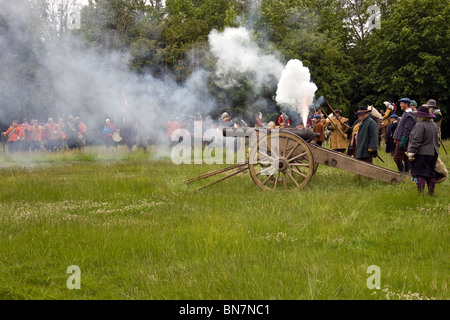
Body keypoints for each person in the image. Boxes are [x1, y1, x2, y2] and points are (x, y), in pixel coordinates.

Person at [407, 106, 440, 196]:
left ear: (420, 116)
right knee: (430, 173)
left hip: (422, 154)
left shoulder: (419, 125)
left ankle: (421, 194)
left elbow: (416, 140)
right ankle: (431, 193)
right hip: (433, 153)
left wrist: (411, 153)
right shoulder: (434, 125)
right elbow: (438, 141)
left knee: (419, 173)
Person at [393, 98, 416, 173]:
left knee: (397, 158)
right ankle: (406, 173)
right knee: (405, 158)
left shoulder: (409, 115)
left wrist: (403, 140)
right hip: (401, 138)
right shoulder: (405, 113)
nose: (400, 105)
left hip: (403, 139)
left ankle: (402, 173)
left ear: (406, 104)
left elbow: (408, 129)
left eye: (401, 103)